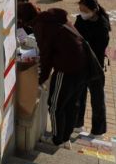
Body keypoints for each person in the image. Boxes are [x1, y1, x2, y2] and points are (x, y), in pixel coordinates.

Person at [31, 8, 89, 148]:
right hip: (83, 69)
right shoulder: (61, 22)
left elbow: (46, 56)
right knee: (71, 105)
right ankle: (65, 138)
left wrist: (40, 79)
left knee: (56, 106)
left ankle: (57, 140)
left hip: (66, 70)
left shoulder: (43, 26)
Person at [73, 0, 110, 137]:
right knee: (79, 96)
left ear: (94, 10)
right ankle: (78, 124)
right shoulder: (80, 19)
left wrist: (83, 44)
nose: (82, 13)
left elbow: (99, 48)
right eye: (80, 9)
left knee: (97, 99)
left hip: (95, 67)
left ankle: (98, 130)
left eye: (85, 10)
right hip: (80, 64)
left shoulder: (102, 25)